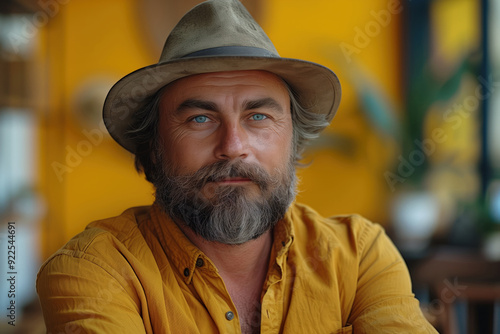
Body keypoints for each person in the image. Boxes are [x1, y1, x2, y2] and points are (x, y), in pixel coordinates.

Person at [36, 0, 437, 333]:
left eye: (258, 117)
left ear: (293, 142)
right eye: (200, 119)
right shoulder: (94, 271)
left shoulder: (359, 256)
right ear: (154, 149)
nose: (233, 147)